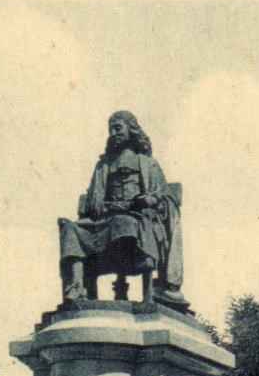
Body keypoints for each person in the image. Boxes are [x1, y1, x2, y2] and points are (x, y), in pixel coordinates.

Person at [58, 111, 185, 309]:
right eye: (110, 130)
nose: (113, 133)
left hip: (136, 215)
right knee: (71, 230)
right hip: (104, 218)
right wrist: (105, 206)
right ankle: (76, 288)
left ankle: (137, 291)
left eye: (118, 128)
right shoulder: (103, 166)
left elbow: (164, 194)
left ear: (131, 130)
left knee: (125, 224)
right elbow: (93, 200)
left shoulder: (148, 163)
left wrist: (150, 198)